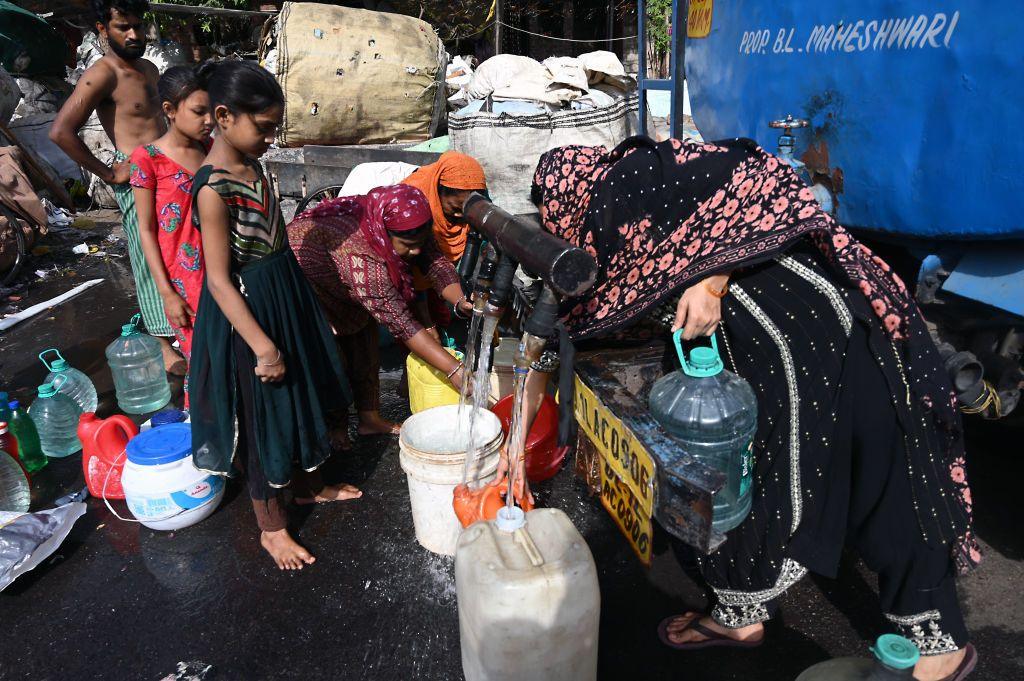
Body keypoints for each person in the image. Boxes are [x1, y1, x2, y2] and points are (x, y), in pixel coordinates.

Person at [519, 137, 979, 680]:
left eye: (553, 218)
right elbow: (557, 332)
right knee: (737, 471)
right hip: (748, 346)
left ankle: (939, 642)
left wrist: (712, 277)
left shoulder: (638, 177)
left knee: (885, 467)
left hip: (821, 324)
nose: (559, 230)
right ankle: (741, 613)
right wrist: (515, 448)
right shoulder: (595, 237)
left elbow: (769, 177)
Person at [188, 61, 360, 571]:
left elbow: (278, 245)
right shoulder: (212, 189)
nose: (270, 139)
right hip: (248, 315)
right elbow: (218, 279)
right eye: (263, 128)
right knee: (266, 413)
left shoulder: (256, 169)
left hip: (286, 296)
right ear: (223, 116)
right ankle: (272, 528)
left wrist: (306, 310)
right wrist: (263, 345)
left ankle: (309, 486)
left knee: (303, 391)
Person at [50, 0, 182, 374]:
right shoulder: (101, 74)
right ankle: (162, 344)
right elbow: (60, 131)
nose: (134, 34)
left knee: (180, 253)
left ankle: (188, 330)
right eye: (123, 26)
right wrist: (109, 173)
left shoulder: (150, 69)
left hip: (171, 177)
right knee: (147, 257)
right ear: (101, 29)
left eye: (138, 26)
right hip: (138, 181)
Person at [287, 184, 474, 444]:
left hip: (346, 285)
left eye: (419, 242)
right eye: (408, 246)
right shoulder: (362, 257)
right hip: (308, 284)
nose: (415, 251)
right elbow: (401, 323)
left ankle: (369, 419)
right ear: (384, 234)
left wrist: (461, 301)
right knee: (332, 360)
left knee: (365, 344)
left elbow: (434, 261)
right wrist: (455, 370)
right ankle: (334, 431)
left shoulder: (407, 227)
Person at [130, 65, 212, 389]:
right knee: (202, 357)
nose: (209, 120)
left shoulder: (209, 149)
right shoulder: (148, 159)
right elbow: (146, 230)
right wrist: (166, 293)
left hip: (221, 267)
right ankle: (206, 429)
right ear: (170, 110)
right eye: (198, 111)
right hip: (184, 280)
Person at [402, 151, 488, 329]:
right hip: (408, 265)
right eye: (455, 208)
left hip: (429, 264)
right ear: (437, 192)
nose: (460, 215)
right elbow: (426, 261)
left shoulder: (477, 197)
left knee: (440, 318)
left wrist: (460, 301)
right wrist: (427, 326)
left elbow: (437, 265)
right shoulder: (413, 202)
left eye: (466, 210)